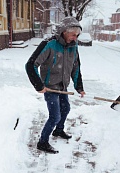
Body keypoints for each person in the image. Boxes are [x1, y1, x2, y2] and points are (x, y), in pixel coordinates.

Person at [25, 17, 86, 154]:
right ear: (64, 32)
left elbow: (76, 67)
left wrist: (79, 87)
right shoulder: (49, 44)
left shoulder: (73, 46)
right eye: (73, 35)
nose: (75, 38)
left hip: (62, 87)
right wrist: (39, 85)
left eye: (77, 35)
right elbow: (30, 65)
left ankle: (58, 130)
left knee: (66, 109)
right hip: (50, 87)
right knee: (55, 116)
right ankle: (42, 142)